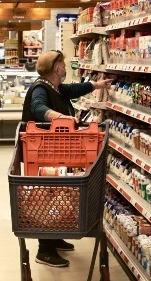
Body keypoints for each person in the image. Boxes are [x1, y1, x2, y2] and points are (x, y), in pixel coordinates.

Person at [20, 50, 111, 268]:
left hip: (52, 151)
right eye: (63, 63)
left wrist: (97, 85)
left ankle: (55, 236)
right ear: (56, 67)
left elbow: (72, 89)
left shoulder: (56, 87)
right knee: (45, 196)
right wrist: (62, 118)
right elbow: (38, 108)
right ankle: (44, 249)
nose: (65, 66)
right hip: (41, 152)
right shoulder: (41, 88)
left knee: (57, 194)